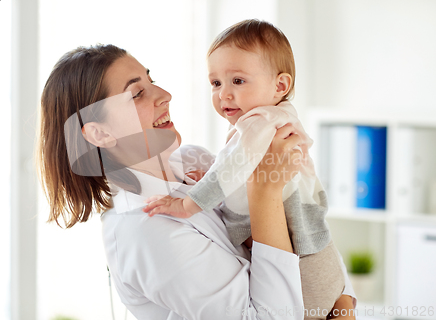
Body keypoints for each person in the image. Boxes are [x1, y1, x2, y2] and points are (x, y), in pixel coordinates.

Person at [36, 43, 357, 319]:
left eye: (153, 80)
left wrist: (344, 301)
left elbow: (305, 223)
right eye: (137, 93)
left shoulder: (196, 160)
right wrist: (265, 190)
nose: (165, 95)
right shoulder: (144, 232)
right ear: (100, 133)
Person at [143, 19, 350, 319]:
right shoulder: (278, 117)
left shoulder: (258, 123)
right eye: (215, 83)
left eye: (237, 81)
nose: (224, 94)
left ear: (280, 85)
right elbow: (240, 168)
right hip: (322, 259)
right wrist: (216, 175)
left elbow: (235, 165)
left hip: (304, 269)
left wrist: (187, 204)